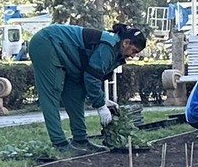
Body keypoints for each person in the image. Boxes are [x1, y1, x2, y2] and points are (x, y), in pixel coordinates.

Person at [27, 22, 147, 150]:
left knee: (76, 95)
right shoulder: (109, 46)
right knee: (51, 94)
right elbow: (92, 78)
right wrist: (101, 105)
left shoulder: (115, 49)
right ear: (126, 43)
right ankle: (59, 143)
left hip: (69, 58)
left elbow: (93, 75)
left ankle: (80, 140)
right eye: (134, 51)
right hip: (47, 43)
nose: (133, 56)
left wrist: (104, 100)